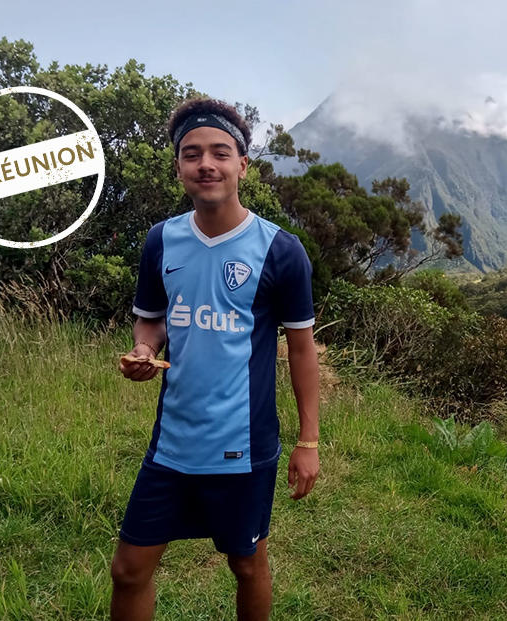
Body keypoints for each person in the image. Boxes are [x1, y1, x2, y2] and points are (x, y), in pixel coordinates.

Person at [110, 97, 320, 621]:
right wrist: (144, 349)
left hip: (243, 448)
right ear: (178, 166)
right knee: (128, 570)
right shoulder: (162, 240)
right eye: (192, 153)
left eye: (220, 153)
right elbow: (152, 319)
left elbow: (301, 348)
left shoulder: (280, 250)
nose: (206, 164)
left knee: (246, 565)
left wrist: (309, 441)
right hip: (172, 443)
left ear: (242, 165)